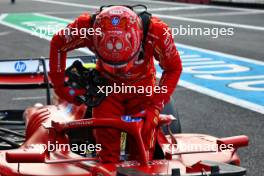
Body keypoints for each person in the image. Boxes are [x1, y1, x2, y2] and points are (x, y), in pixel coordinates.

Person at [49, 5, 182, 163]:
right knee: (107, 146)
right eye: (112, 63)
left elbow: (174, 68)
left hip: (142, 87)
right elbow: (58, 43)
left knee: (144, 146)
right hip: (106, 87)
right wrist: (59, 85)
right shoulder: (86, 27)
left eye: (121, 64)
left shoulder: (157, 31)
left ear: (139, 39)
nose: (118, 69)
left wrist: (156, 104)